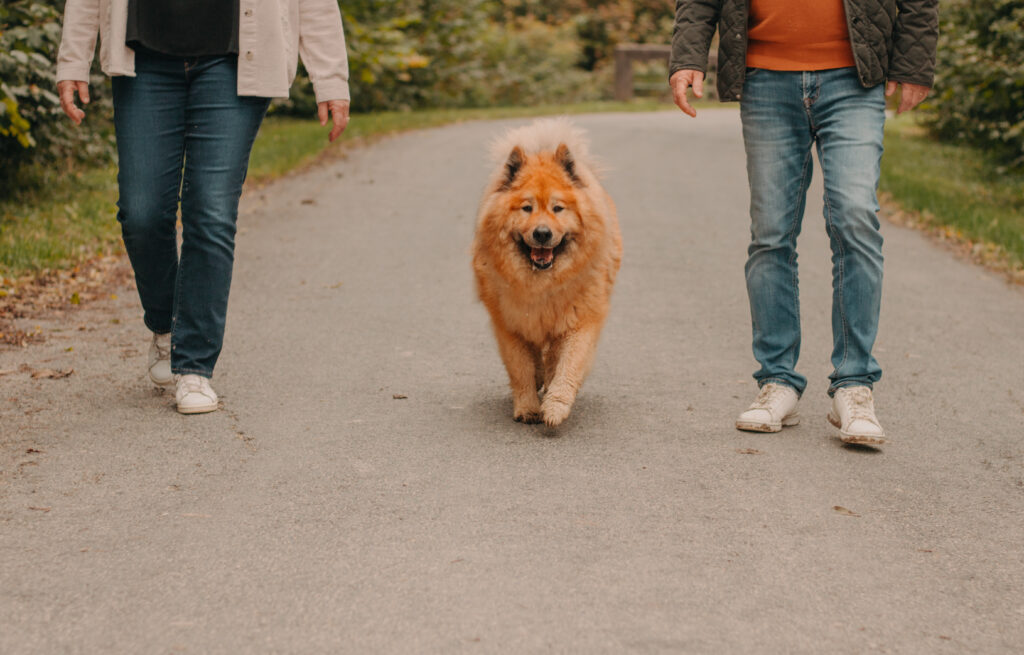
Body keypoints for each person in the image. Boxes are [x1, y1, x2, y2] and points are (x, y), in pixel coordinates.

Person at [56, 0, 351, 414]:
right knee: (141, 214)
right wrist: (73, 60)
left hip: (235, 62)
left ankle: (194, 365)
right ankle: (166, 324)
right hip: (145, 60)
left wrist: (331, 80)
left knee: (210, 214)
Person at [669, 0, 937, 445]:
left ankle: (854, 385)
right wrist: (688, 57)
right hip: (765, 78)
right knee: (771, 234)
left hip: (854, 77)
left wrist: (914, 63)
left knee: (855, 219)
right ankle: (777, 382)